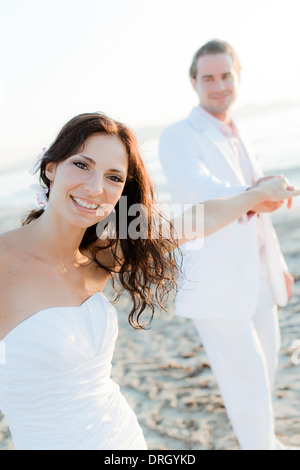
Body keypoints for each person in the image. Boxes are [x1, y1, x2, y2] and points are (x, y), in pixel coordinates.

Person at [0, 113, 298, 451]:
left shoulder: (101, 256)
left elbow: (197, 220)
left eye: (113, 177)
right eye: (82, 165)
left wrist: (256, 195)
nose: (96, 188)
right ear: (51, 166)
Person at [159, 40, 298, 451]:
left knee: (264, 373)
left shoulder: (240, 132)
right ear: (193, 82)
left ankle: (264, 441)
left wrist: (279, 266)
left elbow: (255, 208)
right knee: (247, 379)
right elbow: (195, 190)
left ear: (237, 78)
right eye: (208, 78)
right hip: (218, 278)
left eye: (225, 76)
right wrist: (256, 194)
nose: (218, 86)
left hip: (259, 271)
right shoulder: (179, 136)